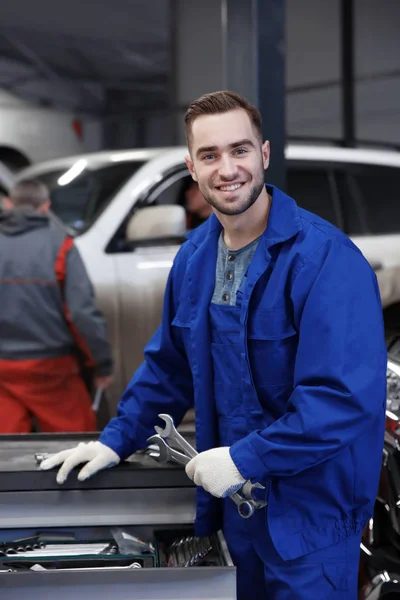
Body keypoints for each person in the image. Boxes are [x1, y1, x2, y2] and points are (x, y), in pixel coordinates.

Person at [40, 91, 387, 599]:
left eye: (240, 150)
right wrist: (116, 439)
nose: (228, 169)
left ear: (264, 155)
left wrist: (245, 458)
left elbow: (339, 402)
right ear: (191, 168)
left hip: (311, 516)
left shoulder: (326, 261)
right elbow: (170, 367)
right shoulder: (194, 259)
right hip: (234, 508)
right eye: (210, 155)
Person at [0, 179, 113, 433]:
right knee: (72, 445)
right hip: (52, 371)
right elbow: (81, 314)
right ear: (45, 206)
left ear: (9, 203)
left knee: (5, 454)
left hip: (3, 370)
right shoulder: (61, 246)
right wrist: (101, 365)